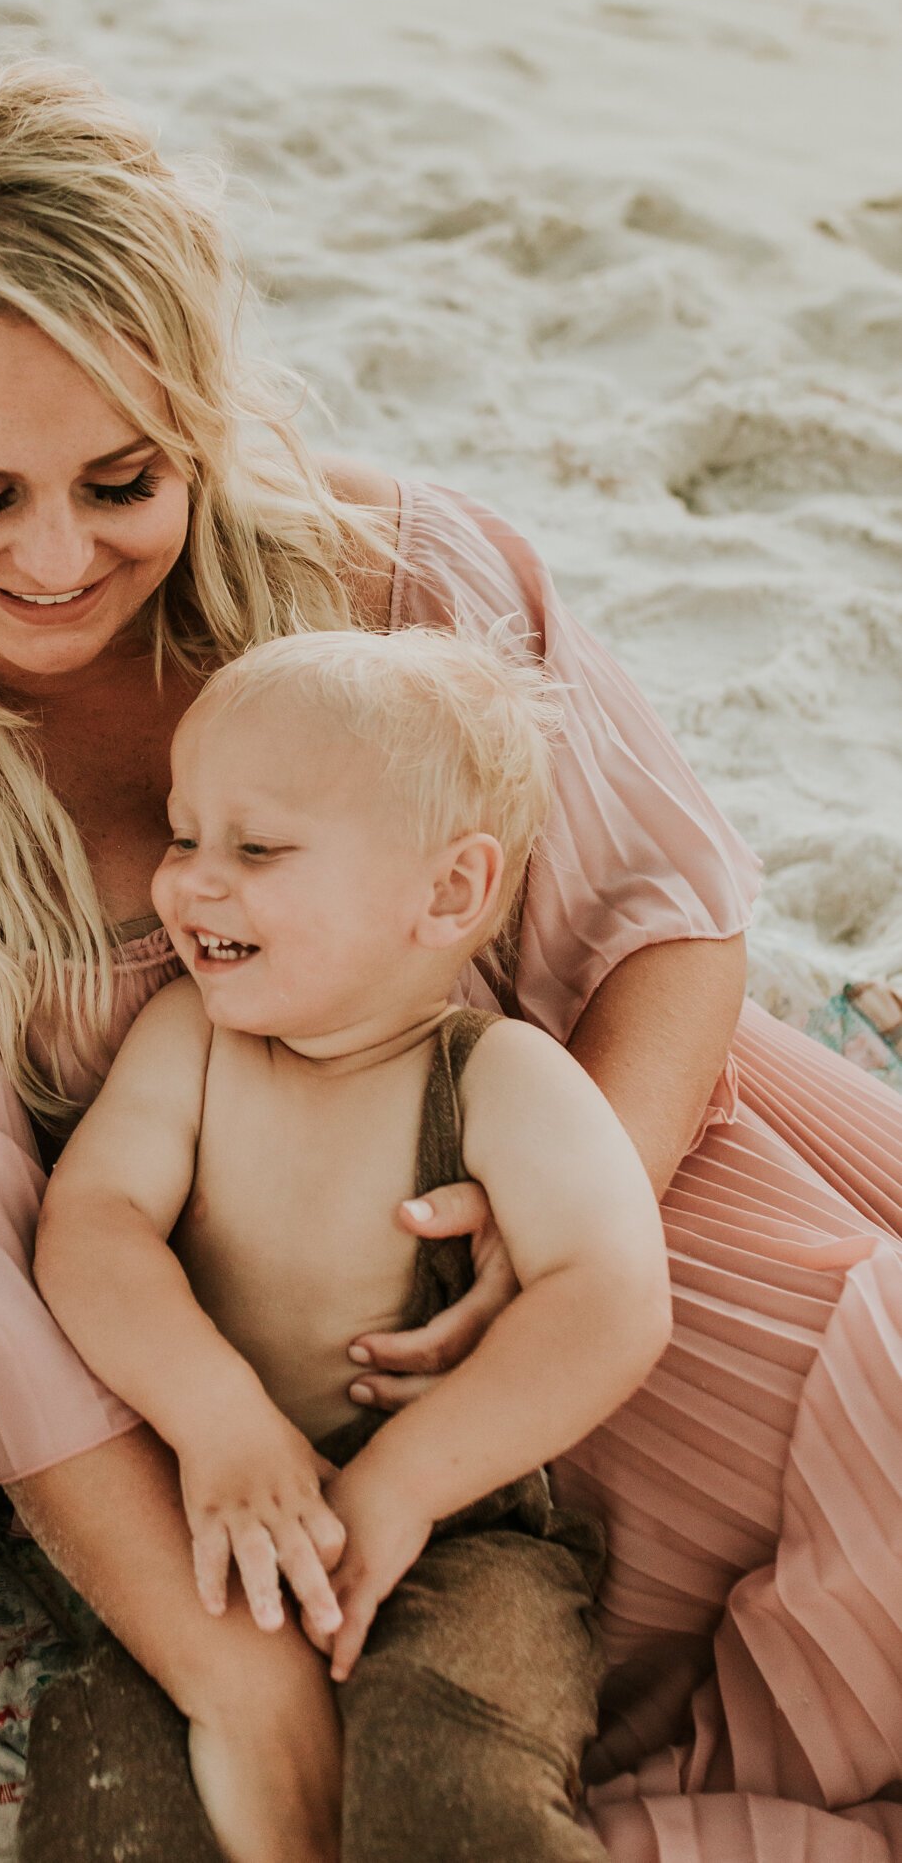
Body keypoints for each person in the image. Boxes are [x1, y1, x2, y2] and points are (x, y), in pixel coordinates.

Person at [0, 58, 902, 1862]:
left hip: (644, 1215)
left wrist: (556, 1236)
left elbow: (662, 915)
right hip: (301, 1409)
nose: (55, 557)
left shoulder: (397, 581)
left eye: (123, 478)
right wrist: (228, 1671)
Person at [36, 625, 672, 1862]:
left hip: (461, 1536)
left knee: (449, 1769)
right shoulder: (188, 1043)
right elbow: (91, 1227)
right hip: (215, 1514)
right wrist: (217, 1414)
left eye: (255, 848)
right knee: (113, 1770)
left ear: (447, 891)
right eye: (183, 834)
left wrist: (402, 1481)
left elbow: (608, 1299)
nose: (189, 883)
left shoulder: (499, 1078)